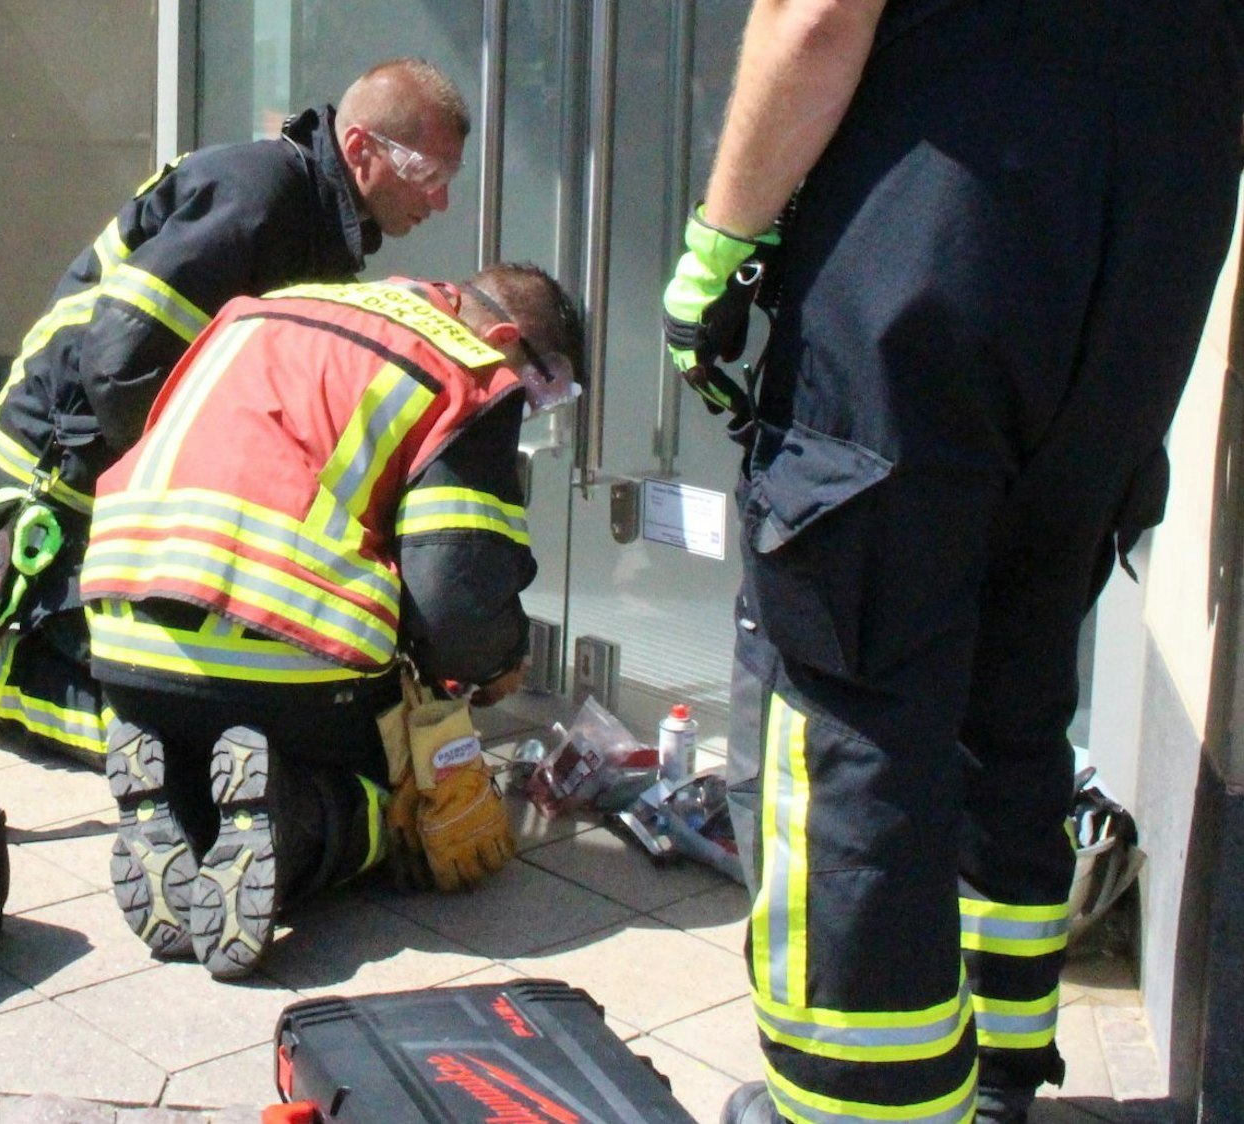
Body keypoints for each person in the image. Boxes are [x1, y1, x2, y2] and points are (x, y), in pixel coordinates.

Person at [659, 2, 1242, 1121]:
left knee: (849, 703)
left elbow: (814, 17)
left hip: (927, 262)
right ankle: (995, 1077)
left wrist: (721, 243)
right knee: (1012, 698)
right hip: (1139, 285)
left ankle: (855, 1104)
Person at [0, 58, 471, 769]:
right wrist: (179, 498)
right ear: (360, 149)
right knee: (145, 726)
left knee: (187, 703)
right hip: (66, 468)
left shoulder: (307, 219)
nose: (439, 200)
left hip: (99, 460)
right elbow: (119, 361)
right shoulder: (258, 198)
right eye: (428, 173)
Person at [81, 265, 583, 979]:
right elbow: (454, 605)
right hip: (281, 660)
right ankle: (300, 825)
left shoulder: (266, 306)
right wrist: (497, 660)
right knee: (401, 790)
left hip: (122, 631)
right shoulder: (466, 369)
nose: (529, 401)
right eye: (542, 380)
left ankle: (184, 803)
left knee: (225, 758)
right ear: (503, 336)